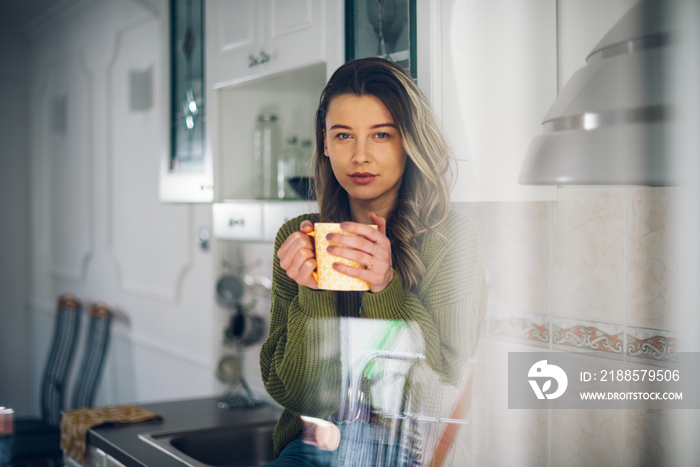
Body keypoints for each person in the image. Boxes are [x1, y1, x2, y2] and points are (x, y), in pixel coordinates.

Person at [260, 57, 487, 466]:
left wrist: (385, 289)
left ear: (408, 141)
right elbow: (295, 395)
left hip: (408, 454)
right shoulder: (299, 238)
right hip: (311, 449)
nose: (360, 156)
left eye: (381, 135)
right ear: (325, 143)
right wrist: (311, 295)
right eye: (344, 135)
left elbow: (440, 389)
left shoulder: (450, 239)